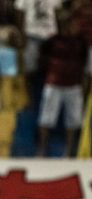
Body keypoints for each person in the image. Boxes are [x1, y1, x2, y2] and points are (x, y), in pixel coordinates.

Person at [36, 14, 87, 157]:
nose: (69, 28)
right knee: (46, 119)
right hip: (54, 84)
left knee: (73, 120)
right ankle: (41, 150)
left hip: (73, 86)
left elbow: (83, 63)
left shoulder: (80, 42)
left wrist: (82, 83)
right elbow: (42, 59)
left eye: (71, 25)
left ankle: (69, 151)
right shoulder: (52, 41)